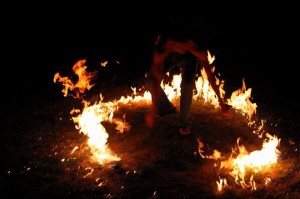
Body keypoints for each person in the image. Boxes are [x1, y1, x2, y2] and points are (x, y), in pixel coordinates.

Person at [144, 33, 233, 135]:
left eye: (180, 47)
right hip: (168, 55)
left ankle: (184, 123)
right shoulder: (162, 48)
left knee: (187, 84)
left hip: (188, 59)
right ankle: (165, 108)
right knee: (150, 81)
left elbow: (210, 76)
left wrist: (221, 102)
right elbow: (155, 78)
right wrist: (153, 111)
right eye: (172, 47)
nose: (177, 49)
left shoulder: (196, 47)